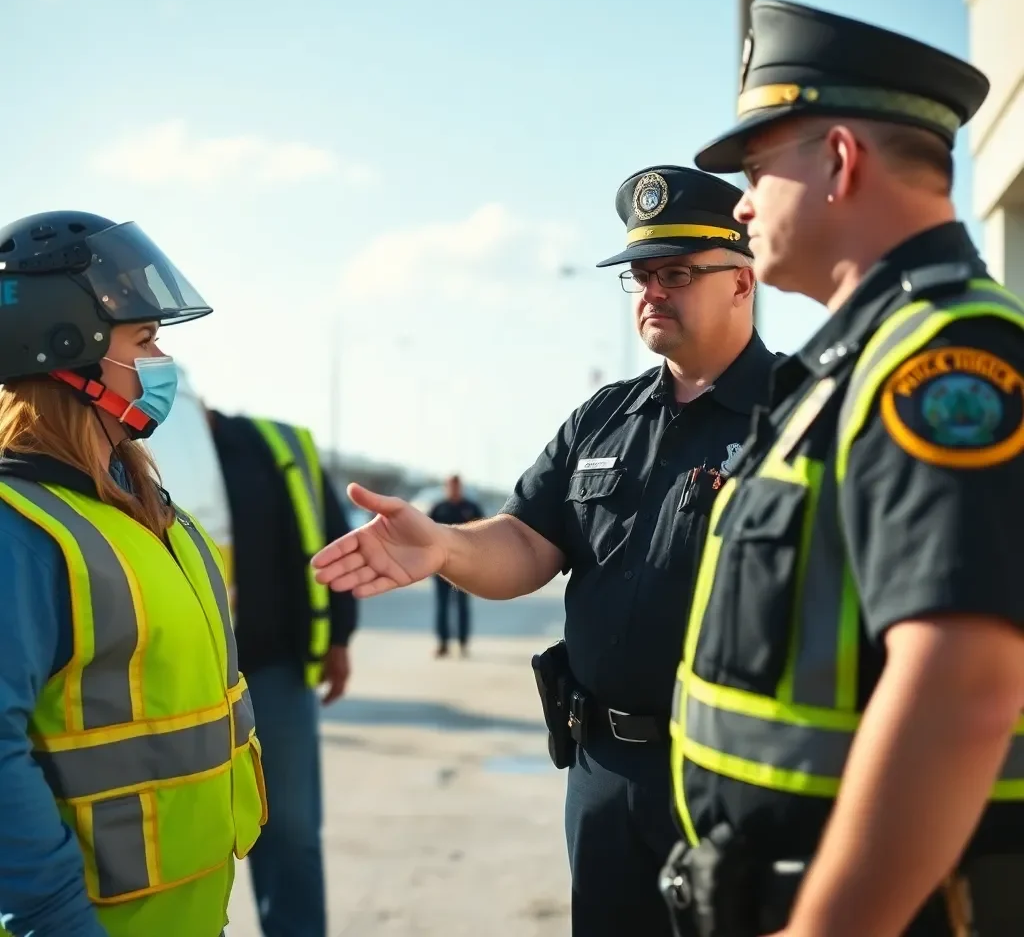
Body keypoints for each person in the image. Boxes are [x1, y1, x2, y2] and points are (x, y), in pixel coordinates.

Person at [311, 166, 780, 937]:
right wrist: (445, 547)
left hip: (728, 775)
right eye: (639, 276)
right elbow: (528, 542)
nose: (651, 292)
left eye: (677, 274)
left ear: (742, 282)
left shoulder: (795, 415)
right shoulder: (604, 417)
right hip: (602, 770)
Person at [660, 0, 1024, 937]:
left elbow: (963, 688)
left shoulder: (946, 362)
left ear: (837, 159)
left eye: (753, 170)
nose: (739, 205)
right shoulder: (853, 363)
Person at [0, 211, 266, 937]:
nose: (161, 360)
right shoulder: (19, 532)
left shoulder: (143, 508)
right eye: (144, 339)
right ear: (64, 345)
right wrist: (57, 922)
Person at [206, 409, 357, 937]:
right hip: (176, 683)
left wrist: (338, 637)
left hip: (273, 672)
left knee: (290, 834)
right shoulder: (120, 441)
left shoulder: (269, 447)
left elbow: (329, 537)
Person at [427, 475, 483, 657]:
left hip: (464, 567)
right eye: (451, 486)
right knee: (442, 606)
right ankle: (442, 643)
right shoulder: (438, 508)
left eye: (457, 486)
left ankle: (463, 643)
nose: (454, 489)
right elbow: (426, 533)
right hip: (441, 566)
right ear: (446, 487)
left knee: (462, 607)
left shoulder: (471, 508)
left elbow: (484, 533)